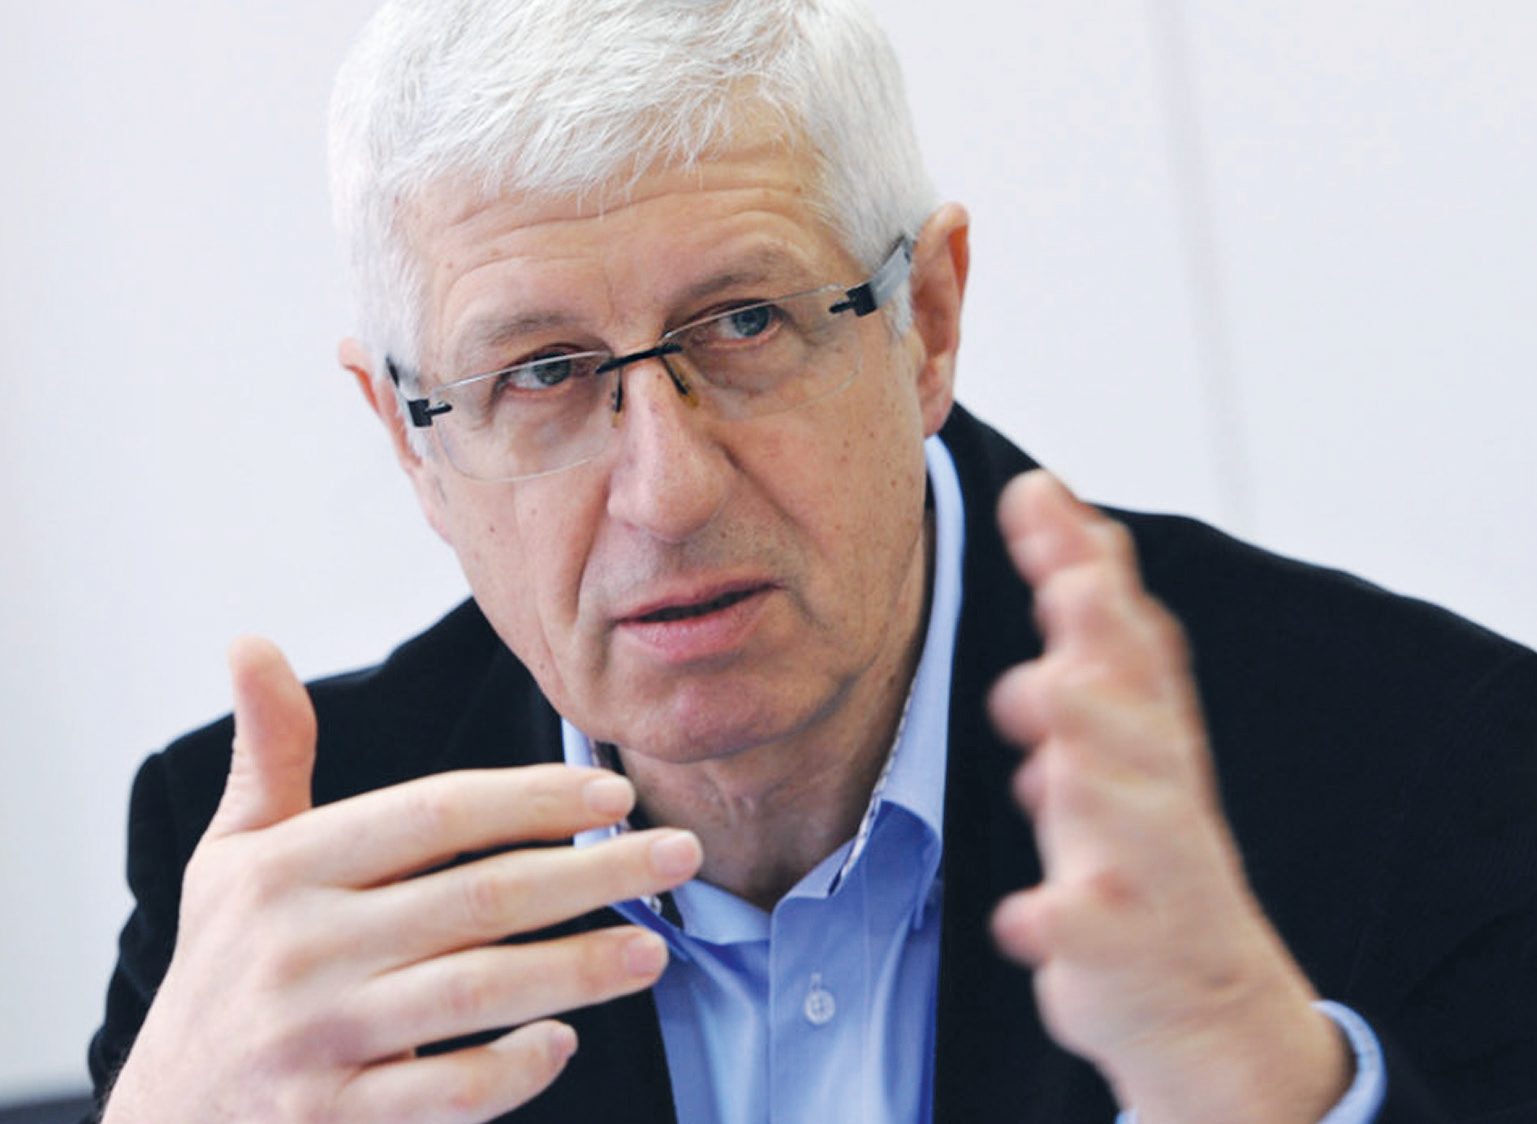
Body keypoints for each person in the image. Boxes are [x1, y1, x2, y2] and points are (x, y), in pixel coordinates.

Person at [86, 1, 1537, 1121]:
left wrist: (1257, 1082)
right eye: (542, 372)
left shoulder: (1438, 767)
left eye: (745, 324)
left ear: (929, 323)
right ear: (411, 444)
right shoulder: (277, 899)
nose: (665, 492)